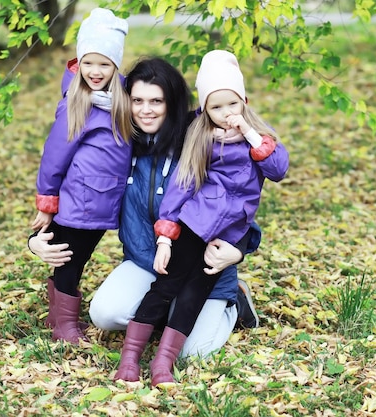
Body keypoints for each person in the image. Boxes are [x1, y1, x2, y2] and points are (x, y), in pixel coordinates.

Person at [29, 57, 261, 356]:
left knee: (194, 352)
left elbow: (236, 203)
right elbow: (79, 195)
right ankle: (166, 309)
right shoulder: (120, 144)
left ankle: (235, 301)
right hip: (145, 261)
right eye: (137, 100)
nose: (145, 110)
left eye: (156, 101)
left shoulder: (202, 141)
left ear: (172, 102)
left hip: (201, 266)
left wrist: (239, 249)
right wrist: (35, 240)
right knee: (105, 314)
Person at [114, 50, 289, 386]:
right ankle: (130, 356)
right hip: (195, 226)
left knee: (194, 295)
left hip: (226, 237)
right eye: (216, 107)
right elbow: (182, 185)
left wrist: (251, 135)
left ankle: (163, 363)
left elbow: (278, 169)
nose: (226, 114)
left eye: (232, 105)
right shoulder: (203, 138)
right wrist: (165, 235)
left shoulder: (259, 141)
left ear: (244, 102)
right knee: (166, 287)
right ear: (205, 110)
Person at [31, 8, 132, 345]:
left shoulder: (120, 98)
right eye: (88, 63)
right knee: (69, 258)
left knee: (79, 255)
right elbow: (54, 155)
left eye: (104, 64)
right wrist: (47, 201)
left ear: (116, 65)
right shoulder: (77, 103)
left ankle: (56, 314)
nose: (95, 71)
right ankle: (65, 325)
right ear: (78, 62)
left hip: (104, 200)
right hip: (78, 197)